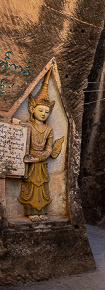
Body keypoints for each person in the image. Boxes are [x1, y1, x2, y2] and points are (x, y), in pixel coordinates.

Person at [18, 69, 63, 221]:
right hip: (30, 162)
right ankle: (31, 212)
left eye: (46, 111)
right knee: (30, 187)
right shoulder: (28, 126)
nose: (43, 114)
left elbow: (49, 147)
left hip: (42, 162)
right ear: (32, 109)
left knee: (42, 187)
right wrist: (32, 157)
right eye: (40, 110)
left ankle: (42, 212)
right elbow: (22, 144)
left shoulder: (49, 129)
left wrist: (43, 155)